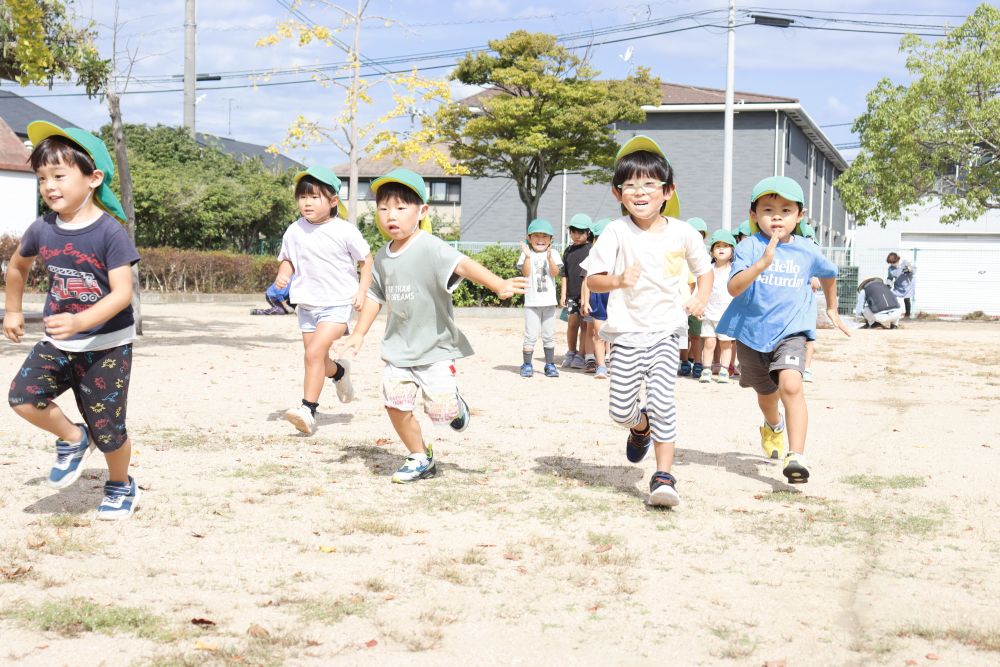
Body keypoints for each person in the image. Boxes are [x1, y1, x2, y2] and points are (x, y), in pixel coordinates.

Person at [337, 168, 526, 484]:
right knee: (394, 403)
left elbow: (462, 264)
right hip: (398, 349)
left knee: (441, 413)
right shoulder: (382, 258)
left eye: (400, 208)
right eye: (383, 208)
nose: (390, 216)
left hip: (435, 348)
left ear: (421, 211)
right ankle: (419, 456)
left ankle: (455, 408)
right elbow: (373, 296)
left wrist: (498, 284)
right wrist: (358, 334)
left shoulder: (430, 246)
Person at [3, 121, 141, 519]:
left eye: (59, 175)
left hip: (107, 347)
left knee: (109, 430)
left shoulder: (109, 233)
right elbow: (17, 265)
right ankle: (72, 437)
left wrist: (82, 322)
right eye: (42, 177)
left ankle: (120, 485)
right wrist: (13, 309)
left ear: (93, 178)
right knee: (22, 397)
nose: (49, 186)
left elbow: (121, 294)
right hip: (58, 344)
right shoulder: (42, 228)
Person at [583, 135, 712, 507]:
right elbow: (594, 278)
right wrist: (618, 280)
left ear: (667, 190)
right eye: (630, 186)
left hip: (666, 332)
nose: (640, 193)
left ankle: (664, 476)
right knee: (620, 410)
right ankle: (640, 428)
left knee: (663, 401)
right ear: (617, 193)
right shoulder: (615, 231)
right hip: (624, 333)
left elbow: (704, 272)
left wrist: (701, 298)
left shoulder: (684, 232)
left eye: (649, 185)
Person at [718, 176, 850, 485]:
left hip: (792, 332)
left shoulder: (807, 250)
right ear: (753, 215)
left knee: (791, 386)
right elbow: (734, 288)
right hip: (752, 333)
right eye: (768, 209)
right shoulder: (748, 247)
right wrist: (762, 263)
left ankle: (797, 456)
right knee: (766, 395)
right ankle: (772, 425)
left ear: (799, 216)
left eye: (786, 209)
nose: (777, 216)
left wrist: (831, 307)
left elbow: (828, 274)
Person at [277, 166, 373, 435]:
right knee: (317, 358)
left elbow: (367, 261)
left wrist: (362, 291)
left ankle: (308, 410)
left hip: (337, 302)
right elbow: (288, 259)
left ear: (333, 202)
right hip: (306, 304)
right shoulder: (294, 230)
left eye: (315, 197)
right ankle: (340, 373)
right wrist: (283, 275)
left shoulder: (344, 230)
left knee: (313, 353)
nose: (306, 202)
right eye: (302, 197)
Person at [517, 218, 563, 378]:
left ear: (551, 240)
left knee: (549, 334)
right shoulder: (526, 254)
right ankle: (527, 364)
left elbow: (556, 273)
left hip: (549, 302)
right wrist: (528, 257)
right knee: (530, 334)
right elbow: (525, 273)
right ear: (529, 238)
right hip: (531, 302)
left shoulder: (554, 253)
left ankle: (549, 365)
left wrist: (550, 258)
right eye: (536, 236)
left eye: (545, 236)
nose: (540, 240)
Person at [699, 229, 737, 383]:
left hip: (727, 314)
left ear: (732, 250)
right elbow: (700, 289)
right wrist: (699, 306)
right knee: (709, 342)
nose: (721, 249)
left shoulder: (734, 270)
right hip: (709, 312)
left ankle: (724, 369)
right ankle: (706, 369)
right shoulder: (707, 269)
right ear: (712, 250)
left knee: (726, 344)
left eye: (726, 246)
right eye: (718, 246)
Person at [579, 218, 612, 379]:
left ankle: (616, 363)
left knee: (618, 333)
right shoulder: (593, 254)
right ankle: (601, 367)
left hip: (616, 296)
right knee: (599, 333)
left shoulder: (621, 252)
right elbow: (586, 280)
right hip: (598, 297)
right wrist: (585, 301)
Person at [560, 214, 592, 370]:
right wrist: (563, 294)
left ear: (588, 233)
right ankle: (571, 352)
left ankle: (581, 354)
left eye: (581, 232)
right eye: (573, 232)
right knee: (572, 324)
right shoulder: (568, 251)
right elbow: (564, 274)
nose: (576, 235)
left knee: (586, 326)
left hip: (587, 295)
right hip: (572, 295)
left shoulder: (591, 249)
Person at [679, 217, 709, 379]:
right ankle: (684, 361)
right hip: (681, 302)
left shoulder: (704, 256)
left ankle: (698, 362)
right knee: (682, 335)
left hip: (697, 302)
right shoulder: (679, 256)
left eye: (700, 234)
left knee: (696, 336)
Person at [886, 252, 916, 319]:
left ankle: (907, 315)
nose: (892, 264)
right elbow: (890, 277)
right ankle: (893, 313)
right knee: (892, 297)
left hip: (908, 285)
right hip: (898, 285)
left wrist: (909, 270)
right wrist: (888, 284)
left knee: (907, 299)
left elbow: (914, 270)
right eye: (891, 263)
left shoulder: (905, 263)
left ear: (897, 260)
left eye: (893, 263)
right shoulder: (890, 269)